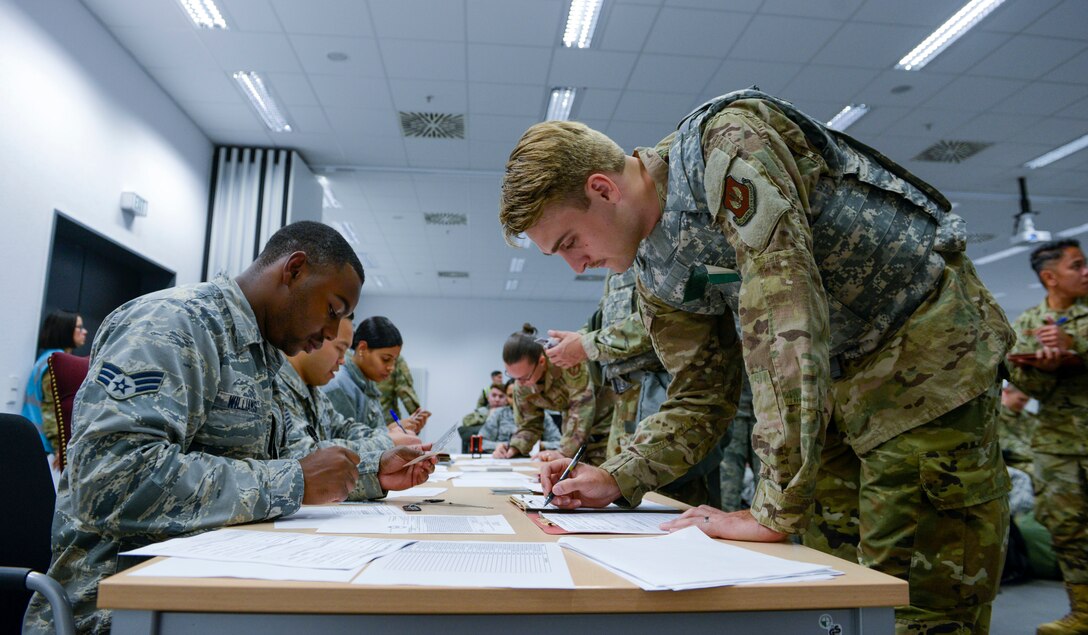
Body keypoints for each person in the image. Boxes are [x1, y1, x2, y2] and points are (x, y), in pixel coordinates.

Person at [499, 88, 1013, 633]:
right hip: (837, 385)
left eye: (570, 242)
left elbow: (787, 321)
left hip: (926, 354)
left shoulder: (730, 146)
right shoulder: (654, 270)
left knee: (919, 600)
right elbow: (700, 394)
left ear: (601, 189)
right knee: (836, 584)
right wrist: (618, 475)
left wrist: (773, 507)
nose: (577, 266)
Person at [23, 221, 435, 634]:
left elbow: (296, 456)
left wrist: (371, 471)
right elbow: (110, 479)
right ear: (294, 270)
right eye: (333, 310)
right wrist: (291, 482)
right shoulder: (172, 325)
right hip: (119, 601)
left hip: (211, 579)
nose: (331, 333)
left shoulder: (264, 355)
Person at [546, 268, 723, 506]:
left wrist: (589, 345)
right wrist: (579, 340)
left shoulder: (666, 255)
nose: (580, 265)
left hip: (664, 397)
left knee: (673, 497)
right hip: (624, 401)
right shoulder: (616, 270)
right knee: (622, 495)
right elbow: (609, 319)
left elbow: (663, 321)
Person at [1007, 239, 1088, 635]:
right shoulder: (1029, 323)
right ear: (1050, 277)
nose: (1086, 271)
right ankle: (1083, 613)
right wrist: (1044, 368)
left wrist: (1078, 346)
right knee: (1067, 528)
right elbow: (1025, 385)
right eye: (1077, 266)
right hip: (1058, 446)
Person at [280, 315, 413, 500]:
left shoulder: (314, 391)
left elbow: (344, 428)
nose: (343, 361)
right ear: (310, 337)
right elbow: (308, 458)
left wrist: (389, 441)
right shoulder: (276, 386)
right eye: (340, 348)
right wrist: (389, 443)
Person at [493, 324, 613, 465]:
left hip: (603, 424)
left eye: (525, 377)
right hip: (575, 431)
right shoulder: (522, 384)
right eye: (513, 377)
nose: (520, 383)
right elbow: (529, 424)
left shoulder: (565, 361)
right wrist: (514, 448)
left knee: (599, 474)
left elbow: (581, 410)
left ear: (542, 361)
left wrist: (562, 453)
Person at [324, 316, 428, 441]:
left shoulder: (367, 383)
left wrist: (393, 429)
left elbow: (369, 433)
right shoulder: (339, 385)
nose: (391, 368)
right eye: (385, 359)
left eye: (394, 361)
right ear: (362, 348)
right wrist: (390, 433)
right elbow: (346, 446)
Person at [22, 310, 87, 463]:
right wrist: (60, 446)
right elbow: (51, 407)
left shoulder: (48, 358)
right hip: (41, 444)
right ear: (65, 330)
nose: (85, 332)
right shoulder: (55, 362)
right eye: (79, 327)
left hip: (34, 439)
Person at [478, 381, 561, 453]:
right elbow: (480, 442)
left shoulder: (543, 416)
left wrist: (541, 445)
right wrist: (500, 446)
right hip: (504, 460)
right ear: (506, 398)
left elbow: (560, 443)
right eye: (511, 396)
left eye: (519, 395)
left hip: (532, 460)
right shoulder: (498, 414)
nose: (516, 400)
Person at [995, 382, 1036, 478]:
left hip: (1030, 460)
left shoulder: (1028, 418)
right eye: (1021, 400)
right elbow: (1005, 444)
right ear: (1006, 392)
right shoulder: (995, 414)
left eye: (1027, 401)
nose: (1024, 404)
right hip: (1010, 462)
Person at [378, 355, 423, 425]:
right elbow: (404, 390)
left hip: (360, 427)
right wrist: (417, 417)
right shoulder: (395, 357)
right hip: (388, 424)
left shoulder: (359, 356)